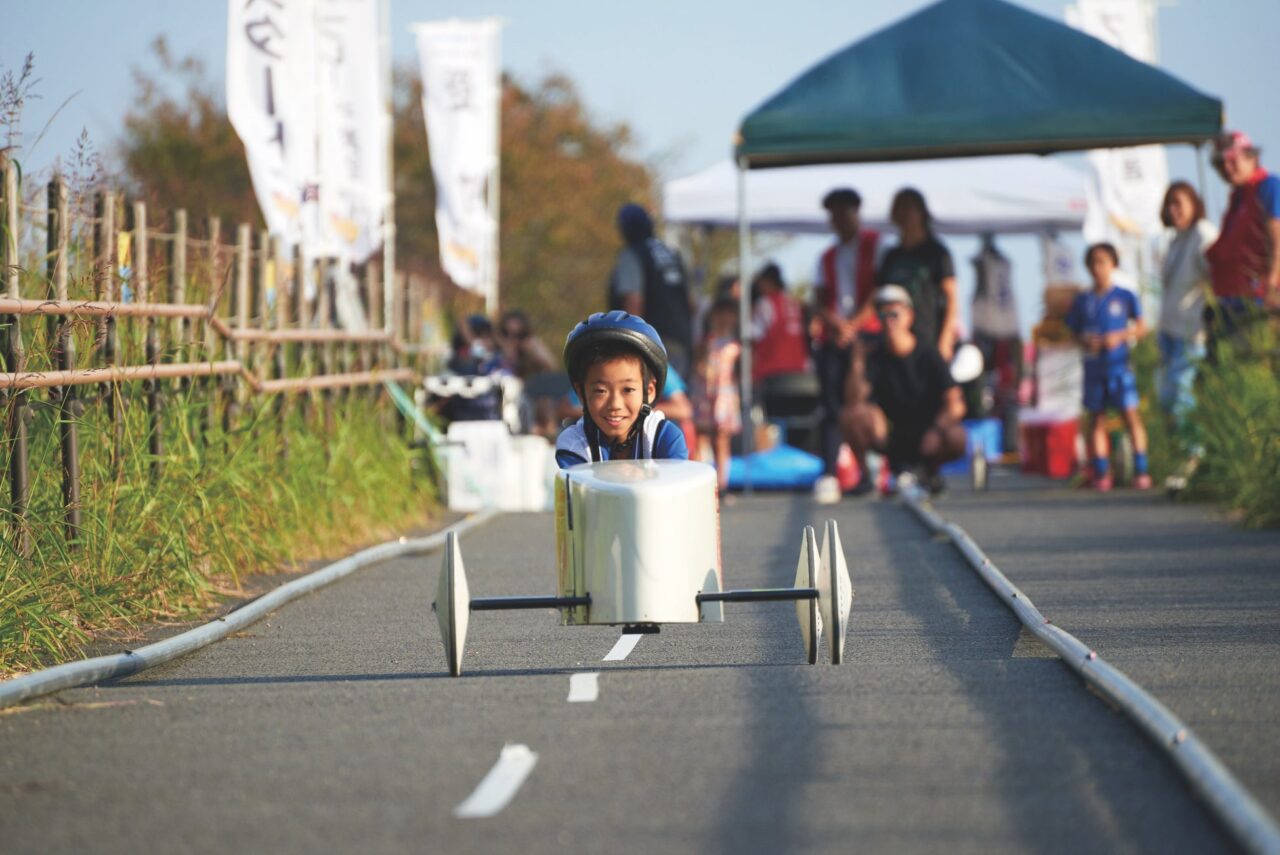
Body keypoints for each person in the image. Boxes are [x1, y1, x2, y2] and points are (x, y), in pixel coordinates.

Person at [839, 285, 966, 494]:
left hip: (927, 433)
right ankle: (867, 477)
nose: (889, 320)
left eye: (895, 314)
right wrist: (857, 364)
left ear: (910, 316)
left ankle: (930, 473)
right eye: (883, 314)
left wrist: (936, 429)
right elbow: (853, 400)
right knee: (849, 415)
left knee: (957, 436)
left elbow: (956, 404)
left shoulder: (929, 354)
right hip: (891, 433)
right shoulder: (874, 354)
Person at [811, 187, 882, 504]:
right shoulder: (826, 256)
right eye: (834, 214)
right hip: (835, 337)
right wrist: (837, 324)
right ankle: (831, 472)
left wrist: (855, 323)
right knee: (832, 405)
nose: (839, 220)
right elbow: (819, 298)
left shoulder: (876, 245)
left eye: (844, 212)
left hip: (868, 336)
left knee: (865, 402)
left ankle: (876, 468)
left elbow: (878, 291)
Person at [1066, 243, 1151, 491]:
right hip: (1094, 367)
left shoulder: (1125, 296)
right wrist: (1084, 340)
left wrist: (1120, 336)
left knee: (1130, 415)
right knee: (1097, 418)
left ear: (1113, 264)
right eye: (1093, 262)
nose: (1097, 268)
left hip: (1119, 366)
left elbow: (1142, 326)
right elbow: (1071, 331)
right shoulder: (1083, 300)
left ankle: (1141, 468)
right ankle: (1102, 472)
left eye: (1102, 261)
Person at [556, 311, 689, 467]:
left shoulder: (664, 438)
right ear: (581, 393)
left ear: (649, 391)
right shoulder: (574, 445)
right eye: (600, 391)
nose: (615, 405)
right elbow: (579, 488)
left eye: (628, 389)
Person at [1204, 130, 1280, 358]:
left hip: (1260, 302)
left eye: (1232, 160)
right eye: (1220, 165)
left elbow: (1278, 235)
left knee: (1261, 366)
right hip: (1233, 301)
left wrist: (1274, 283)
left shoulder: (1269, 186)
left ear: (1251, 157)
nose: (1227, 169)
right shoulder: (1238, 197)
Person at [607, 203, 695, 378]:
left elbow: (634, 302)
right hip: (681, 339)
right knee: (676, 397)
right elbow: (692, 304)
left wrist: (630, 343)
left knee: (653, 400)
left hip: (653, 341)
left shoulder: (633, 254)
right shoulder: (671, 254)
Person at [1156, 182, 1218, 424]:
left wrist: (1209, 314)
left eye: (1179, 203)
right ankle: (1183, 454)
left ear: (1194, 204)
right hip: (1170, 331)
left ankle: (1194, 455)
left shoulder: (1203, 232)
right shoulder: (1175, 239)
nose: (1174, 210)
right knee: (1167, 398)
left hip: (1191, 332)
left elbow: (1214, 274)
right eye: (1169, 204)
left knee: (1183, 397)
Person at [877, 188, 959, 361]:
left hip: (928, 337)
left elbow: (952, 297)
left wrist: (946, 339)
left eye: (908, 208)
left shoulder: (938, 253)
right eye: (898, 209)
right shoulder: (891, 255)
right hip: (895, 341)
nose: (903, 214)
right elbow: (879, 298)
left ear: (921, 213)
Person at [693, 298, 742, 492]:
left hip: (725, 395)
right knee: (702, 436)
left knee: (722, 440)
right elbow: (699, 365)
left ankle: (722, 484)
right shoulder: (706, 342)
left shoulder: (736, 346)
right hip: (705, 393)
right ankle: (702, 479)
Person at [750, 262, 810, 385]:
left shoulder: (764, 304)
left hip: (772, 372)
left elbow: (753, 336)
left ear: (768, 282)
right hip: (799, 370)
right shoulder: (795, 303)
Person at [498, 309, 557, 380]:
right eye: (505, 333)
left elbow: (553, 371)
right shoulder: (491, 356)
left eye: (519, 335)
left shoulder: (529, 360)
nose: (512, 340)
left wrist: (535, 349)